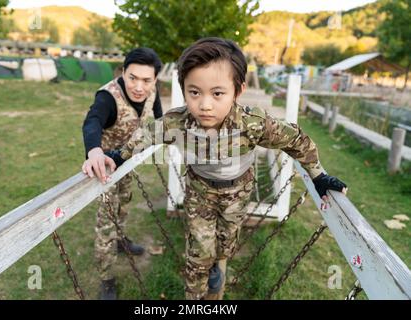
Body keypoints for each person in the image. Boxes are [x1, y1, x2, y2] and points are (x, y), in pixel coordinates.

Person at [82, 37, 347, 300]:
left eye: (217, 93)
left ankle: (215, 266)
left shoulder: (252, 124)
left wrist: (319, 176)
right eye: (194, 92)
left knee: (225, 245)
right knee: (197, 255)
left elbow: (297, 140)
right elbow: (146, 135)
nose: (205, 104)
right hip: (199, 193)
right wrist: (116, 156)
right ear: (184, 88)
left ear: (237, 91)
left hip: (237, 193)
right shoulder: (179, 121)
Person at [81, 47, 163, 300]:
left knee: (124, 204)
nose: (139, 86)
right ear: (123, 73)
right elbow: (92, 121)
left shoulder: (152, 93)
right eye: (132, 78)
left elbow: (159, 120)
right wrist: (94, 151)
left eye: (146, 80)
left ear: (155, 80)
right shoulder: (108, 97)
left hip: (127, 164)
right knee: (106, 222)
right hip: (104, 169)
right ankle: (106, 277)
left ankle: (121, 240)